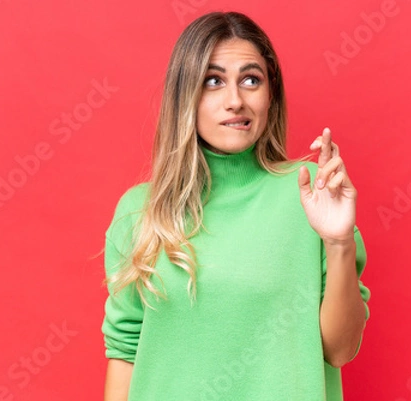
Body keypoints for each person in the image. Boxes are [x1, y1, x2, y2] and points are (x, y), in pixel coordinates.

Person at [101, 11, 371, 401]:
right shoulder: (139, 211)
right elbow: (125, 354)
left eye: (251, 80)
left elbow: (340, 349)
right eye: (213, 81)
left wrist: (340, 241)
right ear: (185, 95)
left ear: (270, 94)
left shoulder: (313, 194)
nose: (235, 101)